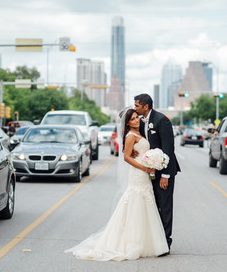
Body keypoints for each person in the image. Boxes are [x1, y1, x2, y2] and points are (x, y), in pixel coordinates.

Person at [65, 108, 169, 261]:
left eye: (136, 117)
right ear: (126, 123)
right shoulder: (130, 136)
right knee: (135, 201)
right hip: (138, 172)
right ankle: (131, 242)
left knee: (145, 203)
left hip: (145, 173)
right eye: (132, 119)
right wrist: (145, 168)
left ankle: (146, 241)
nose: (136, 120)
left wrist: (153, 161)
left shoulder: (140, 133)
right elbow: (127, 157)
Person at [134, 93, 180, 255]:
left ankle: (165, 243)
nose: (135, 108)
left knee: (165, 206)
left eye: (137, 105)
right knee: (152, 206)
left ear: (146, 106)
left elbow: (168, 149)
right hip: (149, 170)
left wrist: (165, 175)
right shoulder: (140, 121)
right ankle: (154, 240)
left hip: (164, 170)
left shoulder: (162, 121)